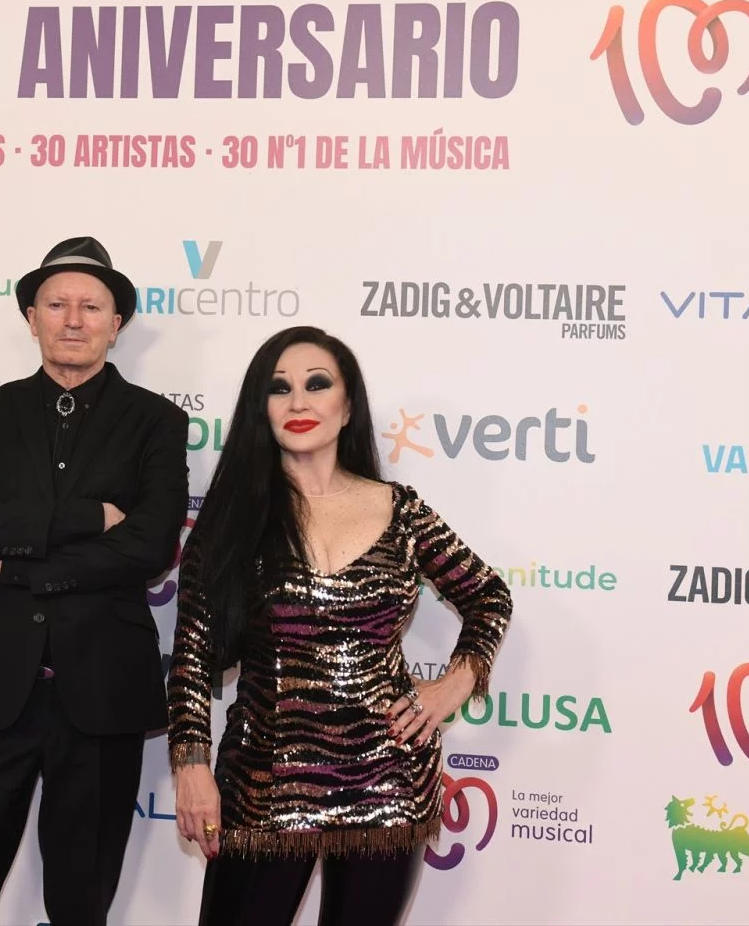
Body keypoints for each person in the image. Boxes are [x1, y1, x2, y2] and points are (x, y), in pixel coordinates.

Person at [167, 326, 513, 926]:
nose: (299, 402)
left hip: (389, 782)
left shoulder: (402, 511)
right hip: (264, 785)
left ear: (347, 405)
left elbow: (488, 595)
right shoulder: (232, 518)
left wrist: (455, 683)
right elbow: (192, 658)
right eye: (280, 389)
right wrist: (192, 766)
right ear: (261, 409)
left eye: (316, 384)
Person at [0, 236, 190, 926]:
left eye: (91, 305)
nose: (74, 318)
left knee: (80, 904)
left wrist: (17, 553)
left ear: (117, 321)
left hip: (102, 694)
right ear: (31, 316)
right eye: (57, 303)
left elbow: (150, 545)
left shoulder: (157, 422)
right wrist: (85, 518)